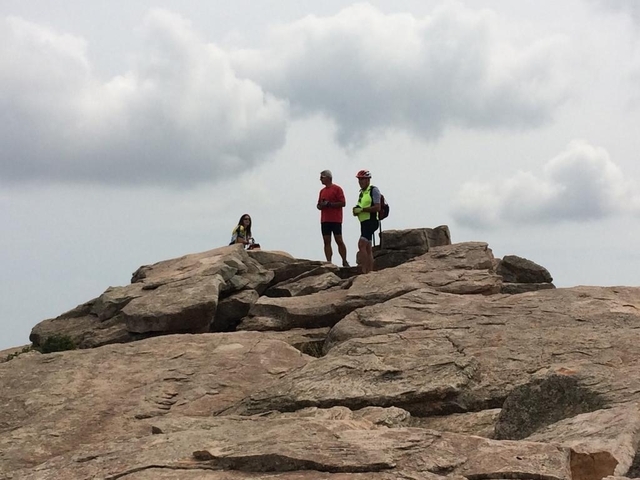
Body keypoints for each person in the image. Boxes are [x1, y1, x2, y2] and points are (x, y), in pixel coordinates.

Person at [317, 170, 349, 267]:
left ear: (328, 178)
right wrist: (321, 205)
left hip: (335, 219)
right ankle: (329, 262)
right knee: (326, 241)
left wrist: (330, 204)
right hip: (325, 219)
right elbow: (318, 205)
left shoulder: (337, 189)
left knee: (338, 240)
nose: (320, 179)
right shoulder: (322, 191)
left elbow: (343, 203)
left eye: (322, 177)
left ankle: (344, 260)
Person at [352, 169, 381, 274]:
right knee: (368, 247)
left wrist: (363, 210)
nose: (360, 182)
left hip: (371, 220)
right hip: (363, 222)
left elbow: (377, 207)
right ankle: (370, 270)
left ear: (368, 180)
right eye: (359, 180)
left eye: (362, 179)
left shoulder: (373, 190)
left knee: (361, 245)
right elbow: (361, 206)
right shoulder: (362, 193)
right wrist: (356, 210)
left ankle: (364, 270)